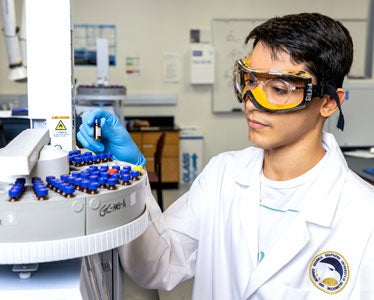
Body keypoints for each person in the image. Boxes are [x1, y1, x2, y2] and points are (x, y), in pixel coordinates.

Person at [77, 12, 374, 299]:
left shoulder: (363, 216)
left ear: (329, 103)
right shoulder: (223, 175)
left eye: (279, 88)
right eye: (250, 82)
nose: (252, 103)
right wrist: (130, 172)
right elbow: (157, 265)